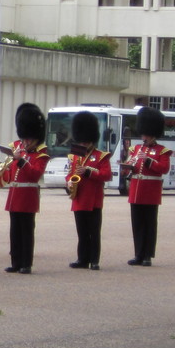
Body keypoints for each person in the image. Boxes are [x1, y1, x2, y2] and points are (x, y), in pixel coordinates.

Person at [3, 102, 49, 274]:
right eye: (24, 138)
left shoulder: (41, 155)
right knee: (14, 231)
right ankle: (15, 262)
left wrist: (21, 160)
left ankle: (26, 264)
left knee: (26, 232)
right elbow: (10, 175)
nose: (26, 142)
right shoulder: (18, 150)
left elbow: (35, 174)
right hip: (14, 196)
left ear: (36, 139)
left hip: (28, 197)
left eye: (29, 139)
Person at [124, 106, 171, 267]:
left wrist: (148, 160)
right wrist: (127, 166)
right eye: (143, 134)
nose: (144, 137)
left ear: (153, 135)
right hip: (136, 192)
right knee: (137, 225)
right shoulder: (136, 149)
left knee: (149, 225)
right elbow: (130, 168)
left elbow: (164, 168)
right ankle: (138, 254)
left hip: (151, 193)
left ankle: (147, 256)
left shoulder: (162, 151)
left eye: (147, 135)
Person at [68, 110, 112, 270]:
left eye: (86, 142)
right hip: (79, 197)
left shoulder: (101, 156)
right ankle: (82, 259)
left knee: (94, 232)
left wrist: (88, 172)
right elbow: (70, 173)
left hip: (93, 200)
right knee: (81, 232)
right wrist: (69, 182)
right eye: (82, 141)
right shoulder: (75, 155)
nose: (84, 144)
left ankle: (94, 260)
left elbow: (107, 175)